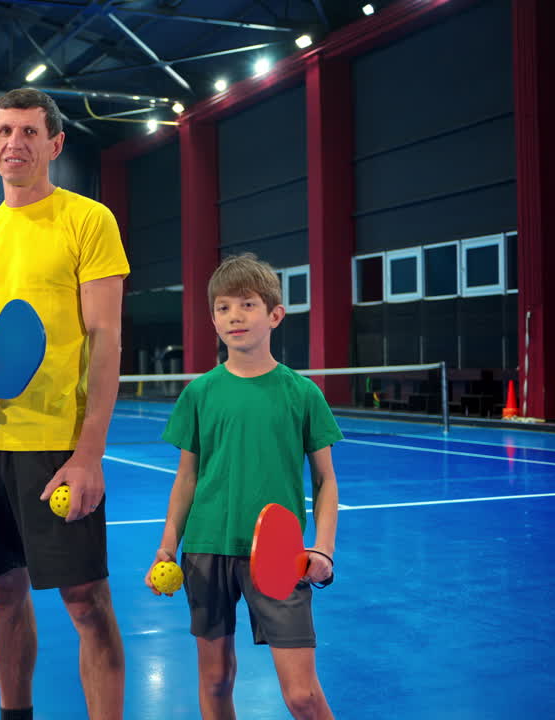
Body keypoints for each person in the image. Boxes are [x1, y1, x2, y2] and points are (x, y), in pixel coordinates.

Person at [0, 87, 129, 720]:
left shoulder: (88, 221)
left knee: (86, 601)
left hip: (56, 446)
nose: (14, 143)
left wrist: (89, 454)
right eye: (3, 132)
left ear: (55, 144)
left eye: (28, 132)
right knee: (0, 594)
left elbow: (104, 339)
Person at [145, 253, 341, 720]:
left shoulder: (303, 393)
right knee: (215, 682)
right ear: (213, 320)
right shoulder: (199, 393)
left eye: (248, 305)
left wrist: (324, 549)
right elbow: (187, 477)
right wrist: (167, 545)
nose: (235, 316)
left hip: (279, 552)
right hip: (207, 549)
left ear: (274, 315)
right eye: (224, 307)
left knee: (302, 696)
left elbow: (326, 480)